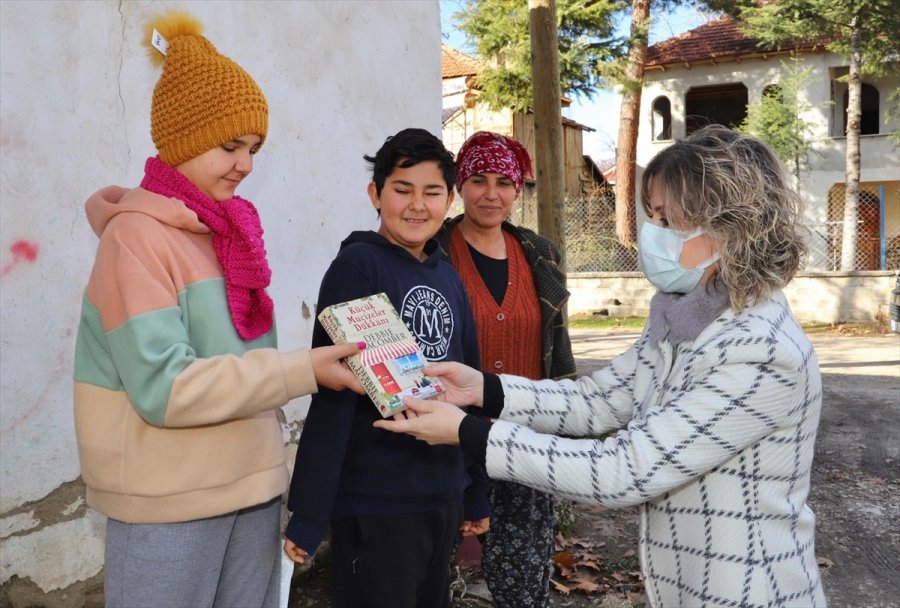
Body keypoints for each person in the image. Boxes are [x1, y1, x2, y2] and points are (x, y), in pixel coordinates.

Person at [376, 125, 827, 607]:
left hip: (749, 592)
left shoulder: (762, 351)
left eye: (668, 218)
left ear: (729, 227)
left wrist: (469, 432)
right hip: (686, 588)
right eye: (652, 215)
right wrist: (484, 389)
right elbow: (599, 400)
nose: (651, 232)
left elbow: (625, 469)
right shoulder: (686, 320)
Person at [72, 12, 361, 608]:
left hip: (252, 489)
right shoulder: (136, 239)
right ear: (182, 139)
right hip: (168, 501)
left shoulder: (231, 235)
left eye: (253, 148)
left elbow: (238, 367)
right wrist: (302, 370)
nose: (246, 164)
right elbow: (166, 388)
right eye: (231, 146)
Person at [282, 128, 490, 608]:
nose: (417, 205)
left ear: (449, 199)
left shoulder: (448, 277)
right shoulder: (357, 268)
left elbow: (469, 385)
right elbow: (333, 392)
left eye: (432, 192)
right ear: (376, 194)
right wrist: (311, 511)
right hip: (377, 502)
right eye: (402, 189)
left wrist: (474, 489)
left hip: (441, 495)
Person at [434, 131, 575, 608]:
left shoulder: (540, 253)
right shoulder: (432, 250)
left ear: (518, 189)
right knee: (434, 561)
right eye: (478, 180)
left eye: (503, 182)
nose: (490, 194)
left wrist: (564, 420)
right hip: (449, 433)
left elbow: (557, 345)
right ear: (459, 185)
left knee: (522, 570)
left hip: (525, 434)